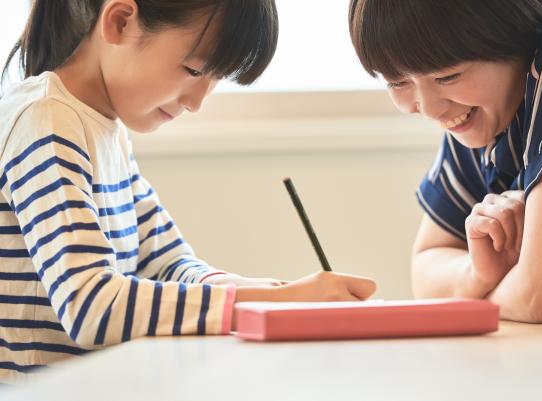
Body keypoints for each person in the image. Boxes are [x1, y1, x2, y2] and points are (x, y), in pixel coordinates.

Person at [0, 0, 376, 382]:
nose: (197, 102)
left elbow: (167, 263)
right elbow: (90, 306)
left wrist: (267, 290)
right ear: (120, 21)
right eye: (194, 69)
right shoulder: (46, 119)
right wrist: (269, 301)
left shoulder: (104, 131)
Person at [349, 0, 542, 325]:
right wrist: (478, 271)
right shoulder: (480, 120)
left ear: (510, 28)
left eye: (448, 76)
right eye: (397, 82)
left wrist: (472, 299)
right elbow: (425, 271)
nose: (429, 109)